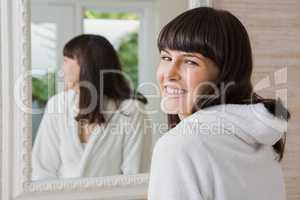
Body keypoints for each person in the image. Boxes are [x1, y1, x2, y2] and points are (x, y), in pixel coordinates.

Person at [148, 7, 290, 200]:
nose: (169, 74)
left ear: (226, 73)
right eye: (166, 57)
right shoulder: (259, 139)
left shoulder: (179, 146)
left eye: (190, 62)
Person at [32, 34, 152, 180]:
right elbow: (43, 169)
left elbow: (135, 174)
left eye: (65, 60)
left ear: (86, 65)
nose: (61, 69)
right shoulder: (57, 105)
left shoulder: (131, 110)